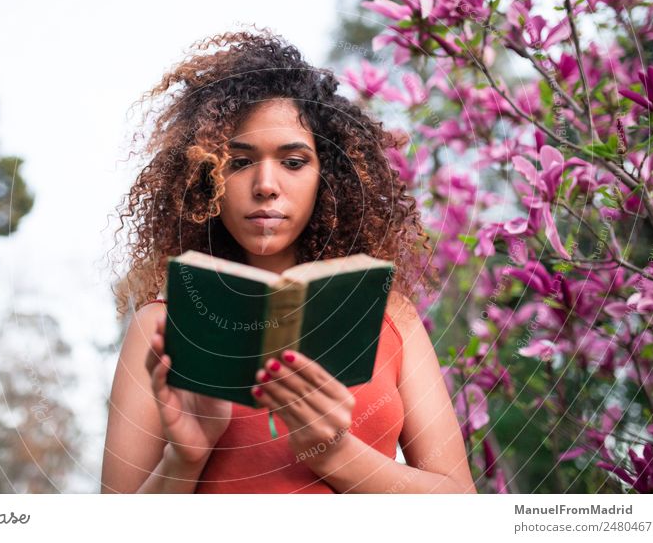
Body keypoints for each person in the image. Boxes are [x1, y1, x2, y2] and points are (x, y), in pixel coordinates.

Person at [101, 27, 476, 494]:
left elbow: (462, 505)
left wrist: (337, 453)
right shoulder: (161, 325)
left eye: (294, 162)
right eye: (238, 162)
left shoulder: (392, 316)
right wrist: (185, 458)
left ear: (329, 177)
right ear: (204, 178)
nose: (265, 185)